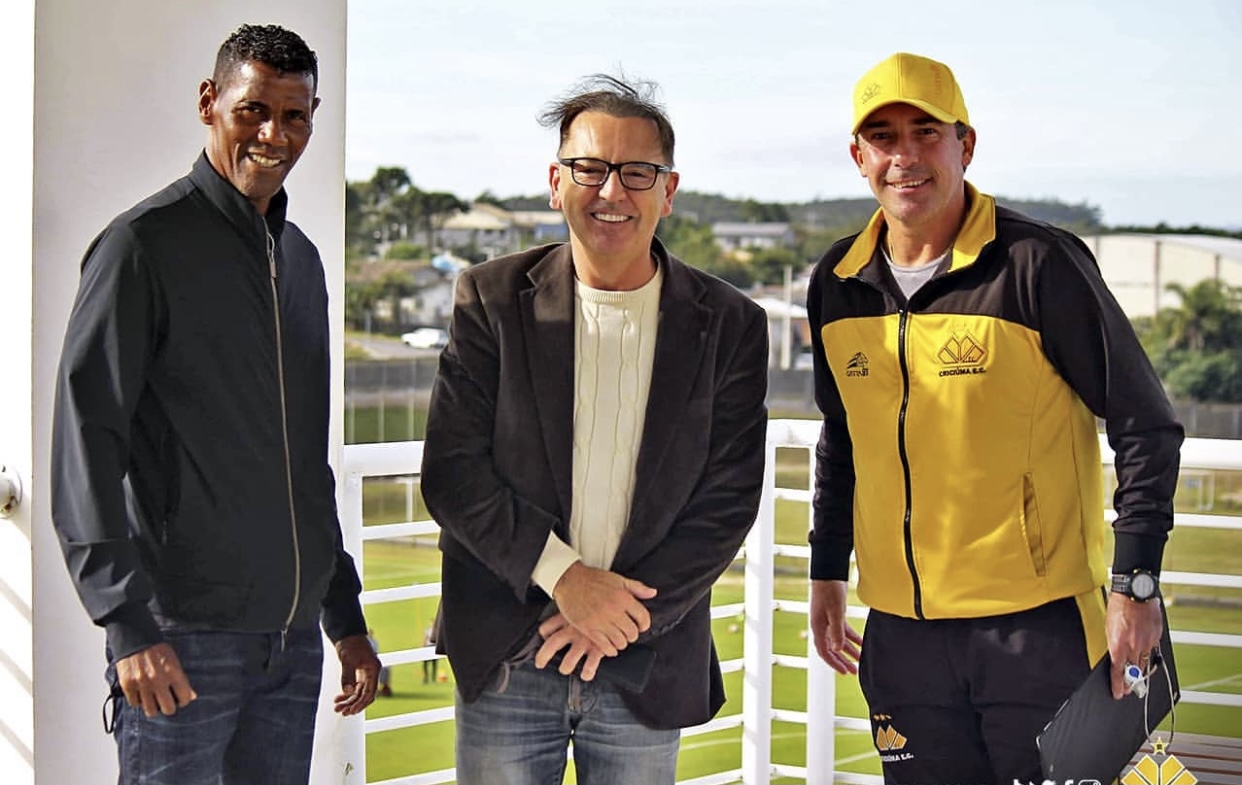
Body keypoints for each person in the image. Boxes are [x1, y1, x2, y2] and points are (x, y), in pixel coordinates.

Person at [805, 52, 1184, 783]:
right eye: (883, 137)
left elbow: (1145, 422)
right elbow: (842, 438)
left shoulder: (1038, 263)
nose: (905, 156)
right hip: (902, 639)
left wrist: (1135, 582)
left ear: (965, 144)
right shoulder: (838, 281)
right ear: (859, 156)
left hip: (1036, 630)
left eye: (926, 132)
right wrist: (827, 572)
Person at [51, 23, 380, 785]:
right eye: (253, 110)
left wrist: (346, 617)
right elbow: (86, 438)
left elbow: (306, 459)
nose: (274, 134)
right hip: (181, 635)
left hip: (288, 642)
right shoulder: (140, 246)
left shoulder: (300, 261)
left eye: (295, 115)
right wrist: (126, 622)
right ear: (210, 102)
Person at [420, 73, 769, 785]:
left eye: (638, 172)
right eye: (590, 168)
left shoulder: (731, 324)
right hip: (511, 655)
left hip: (644, 659)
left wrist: (618, 616)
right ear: (556, 182)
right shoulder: (489, 300)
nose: (612, 191)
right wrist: (566, 579)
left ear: (668, 191)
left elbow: (727, 499)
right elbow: (453, 473)